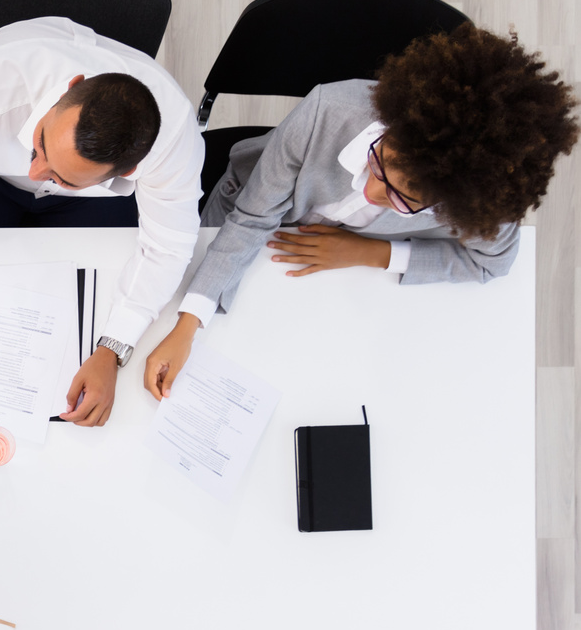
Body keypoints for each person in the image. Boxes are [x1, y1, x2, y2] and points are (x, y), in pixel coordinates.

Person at [143, 23, 580, 399]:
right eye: (379, 161)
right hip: (248, 215)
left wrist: (371, 254)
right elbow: (252, 218)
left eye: (402, 198)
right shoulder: (327, 110)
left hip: (343, 288)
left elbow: (493, 264)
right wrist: (188, 325)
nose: (370, 192)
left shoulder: (480, 202)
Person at [0, 16, 203, 428]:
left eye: (59, 174)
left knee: (93, 290)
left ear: (127, 172)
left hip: (86, 206)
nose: (36, 172)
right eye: (41, 141)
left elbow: (168, 247)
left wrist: (112, 350)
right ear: (70, 87)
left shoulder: (175, 140)